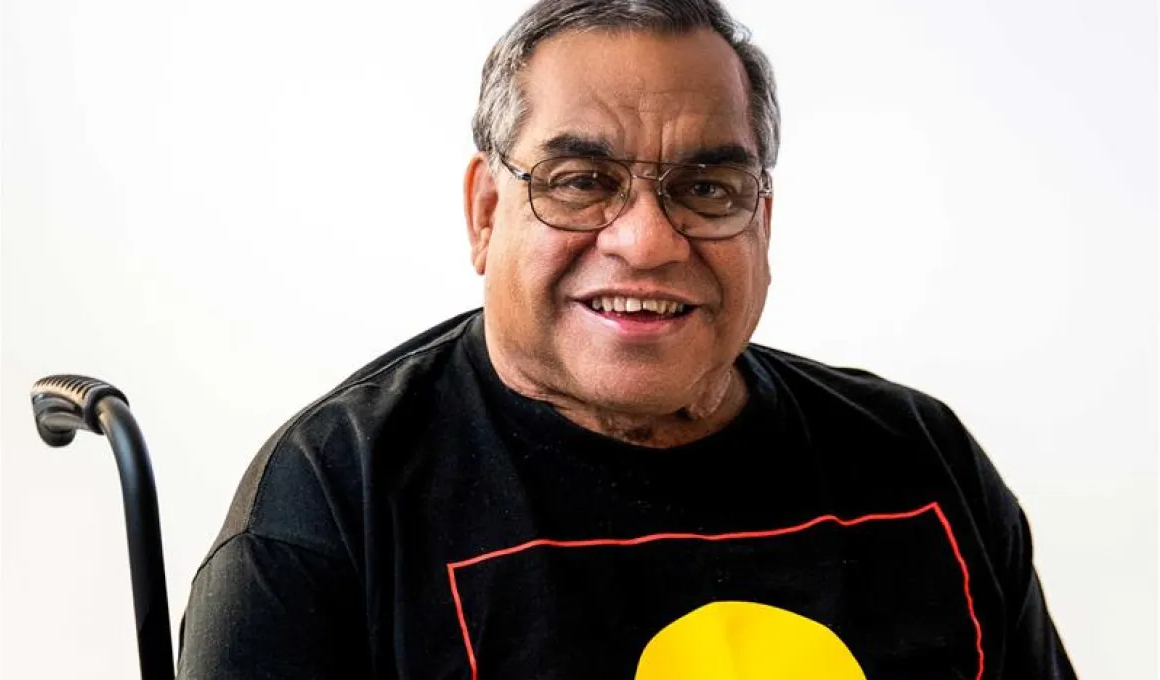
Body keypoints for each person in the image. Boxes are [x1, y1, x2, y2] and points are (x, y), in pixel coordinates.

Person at [174, 0, 1078, 677]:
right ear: (486, 213)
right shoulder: (335, 506)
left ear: (762, 222)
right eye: (579, 180)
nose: (646, 240)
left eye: (707, 189)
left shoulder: (922, 463)